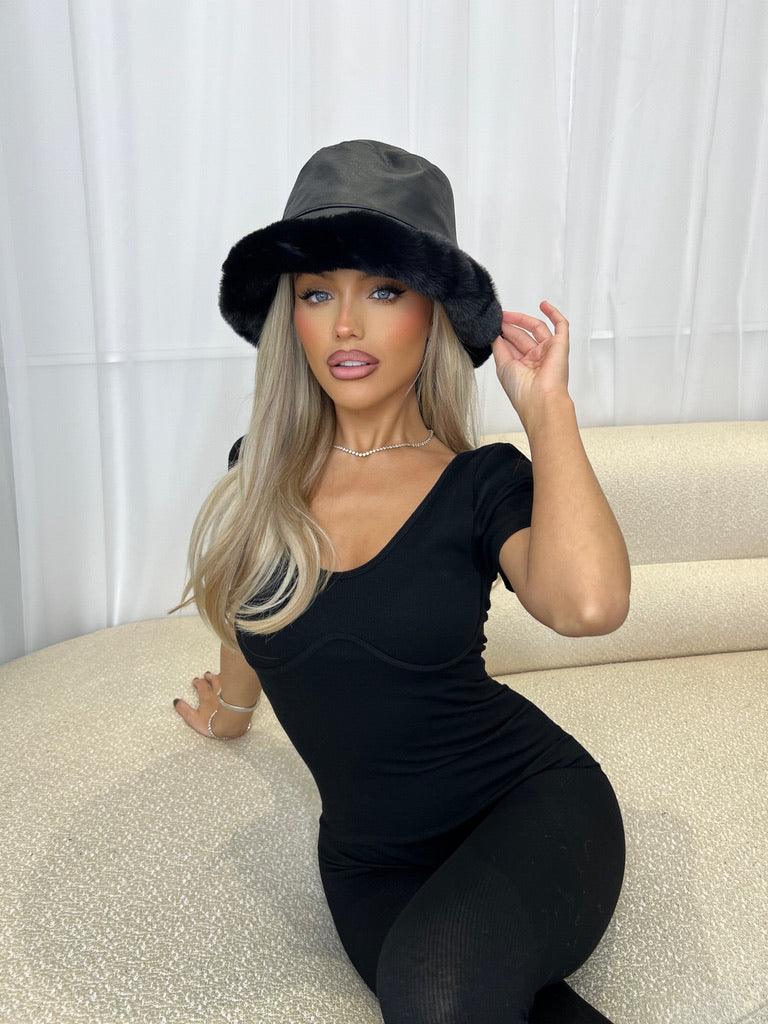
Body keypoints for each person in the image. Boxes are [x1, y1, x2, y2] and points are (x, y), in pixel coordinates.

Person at [170, 140, 629, 1023]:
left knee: (436, 989)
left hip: (529, 806)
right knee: (445, 999)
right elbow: (258, 606)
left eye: (383, 291)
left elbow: (589, 603)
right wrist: (230, 711)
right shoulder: (259, 473)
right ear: (291, 317)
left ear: (433, 315)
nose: (346, 325)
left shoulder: (480, 484)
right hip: (372, 861)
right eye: (317, 294)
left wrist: (549, 412)